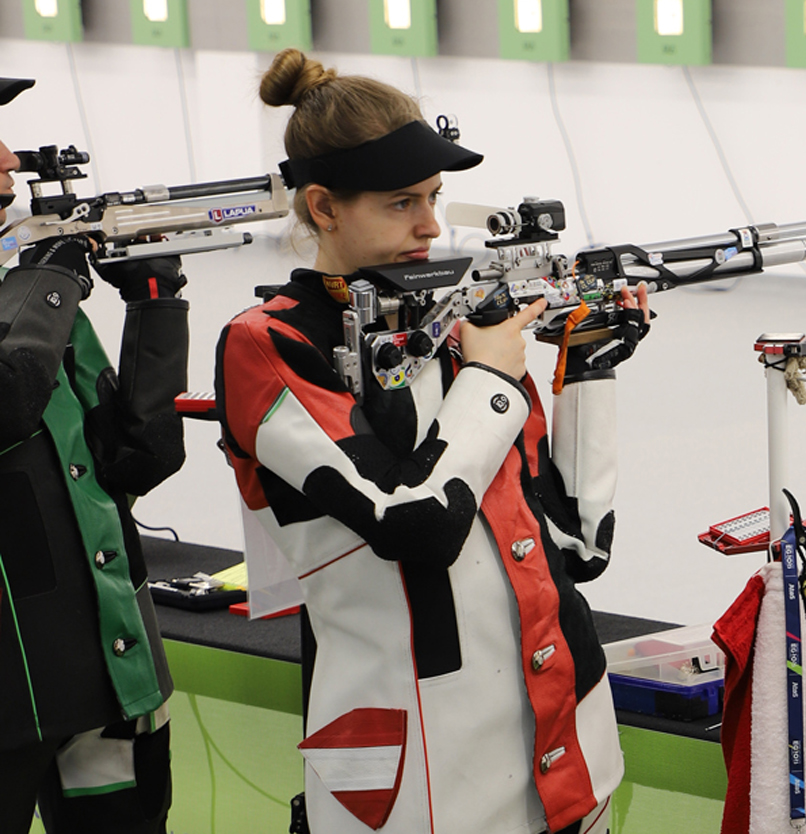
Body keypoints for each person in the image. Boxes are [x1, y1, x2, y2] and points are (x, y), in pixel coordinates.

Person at [214, 49, 644, 834]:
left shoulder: (452, 331)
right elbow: (414, 525)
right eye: (400, 202)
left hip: (566, 752)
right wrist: (491, 382)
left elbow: (578, 547)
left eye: (436, 197)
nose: (431, 226)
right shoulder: (269, 344)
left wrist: (588, 366)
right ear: (323, 207)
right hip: (420, 777)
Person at [0, 77, 189, 833]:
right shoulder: (30, 292)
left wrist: (155, 302)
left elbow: (135, 461)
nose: (8, 159)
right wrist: (50, 281)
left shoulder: (18, 292)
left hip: (114, 677)